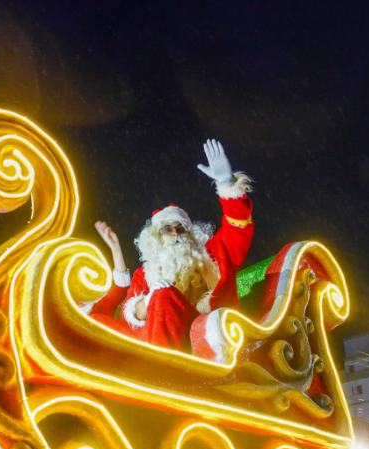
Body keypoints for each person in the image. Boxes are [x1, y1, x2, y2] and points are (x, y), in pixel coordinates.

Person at [90, 139, 253, 351]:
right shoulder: (144, 273)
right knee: (96, 323)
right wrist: (147, 302)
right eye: (168, 228)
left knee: (165, 296)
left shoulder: (212, 255)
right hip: (151, 337)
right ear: (157, 236)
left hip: (200, 335)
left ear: (191, 233)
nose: (175, 233)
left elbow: (238, 228)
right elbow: (127, 315)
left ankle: (165, 369)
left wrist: (227, 184)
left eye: (181, 228)